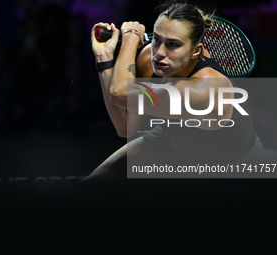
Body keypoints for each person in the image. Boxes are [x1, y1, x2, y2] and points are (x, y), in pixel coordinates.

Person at [84, 1, 277, 183]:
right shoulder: (149, 59)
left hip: (233, 164)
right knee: (92, 185)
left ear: (196, 50)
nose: (159, 53)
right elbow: (126, 126)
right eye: (157, 40)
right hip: (175, 140)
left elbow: (119, 92)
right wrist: (104, 56)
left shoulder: (204, 89)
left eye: (173, 45)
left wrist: (130, 36)